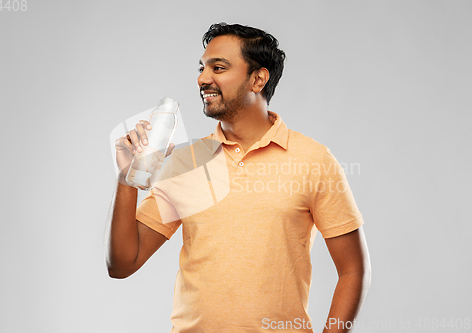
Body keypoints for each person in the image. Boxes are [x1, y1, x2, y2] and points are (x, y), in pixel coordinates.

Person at [106, 23, 371, 333]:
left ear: (257, 79)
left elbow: (352, 270)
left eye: (218, 67)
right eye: (202, 68)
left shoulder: (313, 160)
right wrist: (126, 180)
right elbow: (122, 264)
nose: (202, 79)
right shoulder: (186, 161)